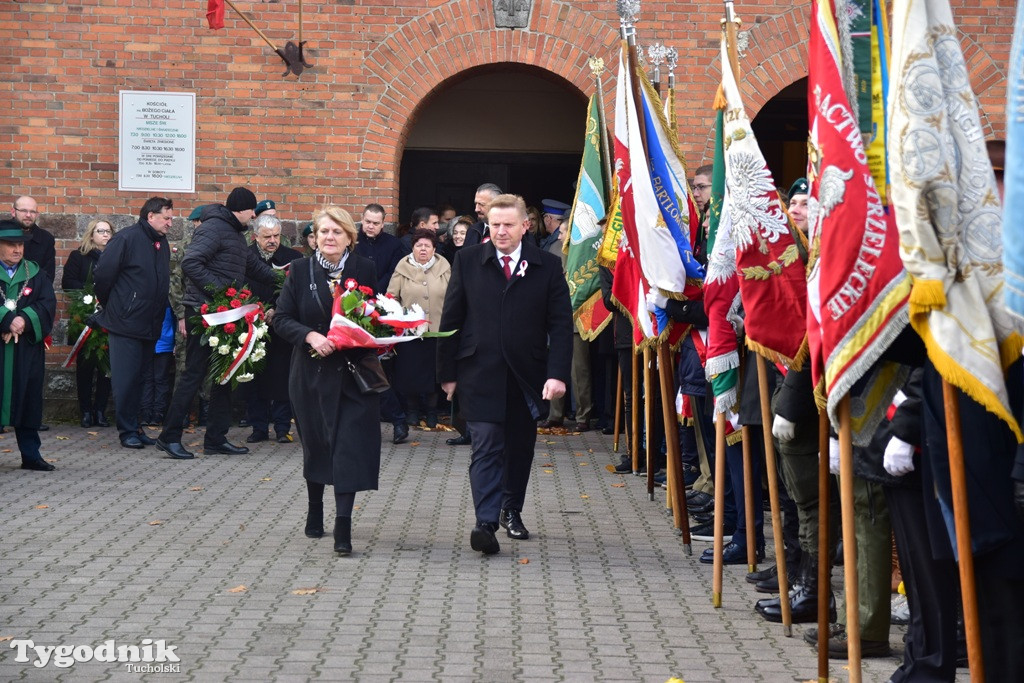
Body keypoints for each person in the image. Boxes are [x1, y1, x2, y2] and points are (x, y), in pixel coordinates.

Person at [438, 194, 573, 554]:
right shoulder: (468, 260)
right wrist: (447, 373)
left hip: (526, 375)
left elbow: (560, 325)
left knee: (518, 448)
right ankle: (485, 522)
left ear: (524, 226)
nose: (500, 231)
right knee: (485, 445)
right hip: (479, 372)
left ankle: (511, 509)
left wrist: (557, 374)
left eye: (508, 224)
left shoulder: (546, 265)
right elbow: (451, 319)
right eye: (495, 224)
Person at [273, 205, 381, 556]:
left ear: (350, 237)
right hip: (311, 373)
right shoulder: (300, 270)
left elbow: (375, 315)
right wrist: (311, 337)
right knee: (317, 444)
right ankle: (315, 508)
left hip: (352, 375)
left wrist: (368, 334)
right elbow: (282, 318)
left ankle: (343, 527)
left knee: (348, 446)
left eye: (337, 232)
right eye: (323, 232)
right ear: (314, 238)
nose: (330, 238)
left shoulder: (364, 268)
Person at [156, 187, 277, 460]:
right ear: (244, 210)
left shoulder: (234, 233)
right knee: (194, 374)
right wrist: (221, 291)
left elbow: (252, 267)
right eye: (253, 212)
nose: (254, 217)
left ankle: (216, 438)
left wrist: (282, 279)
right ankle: (169, 437)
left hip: (223, 311)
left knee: (225, 374)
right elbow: (191, 262)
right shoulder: (214, 228)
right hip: (204, 311)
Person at [93, 197, 173, 450]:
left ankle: (136, 427)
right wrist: (117, 305)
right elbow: (103, 275)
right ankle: (126, 430)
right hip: (125, 322)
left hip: (150, 323)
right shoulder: (127, 238)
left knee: (140, 380)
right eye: (167, 218)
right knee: (125, 380)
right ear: (151, 216)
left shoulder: (162, 242)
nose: (171, 223)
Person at [0, 220, 56, 471]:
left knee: (28, 399)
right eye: (10, 245)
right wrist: (7, 320)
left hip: (26, 351)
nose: (17, 250)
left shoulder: (34, 272)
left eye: (20, 245)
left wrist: (25, 319)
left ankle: (31, 455)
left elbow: (47, 304)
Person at [354, 203, 411, 443]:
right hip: (351, 308)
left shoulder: (393, 245)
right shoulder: (352, 241)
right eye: (367, 221)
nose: (370, 226)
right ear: (362, 219)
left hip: (379, 309)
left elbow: (394, 273)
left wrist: (375, 290)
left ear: (383, 223)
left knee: (374, 367)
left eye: (376, 223)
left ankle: (398, 420)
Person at [245, 213, 303, 443]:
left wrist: (278, 310)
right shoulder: (245, 257)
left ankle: (281, 427)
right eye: (267, 236)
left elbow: (296, 292)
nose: (272, 240)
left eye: (276, 236)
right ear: (255, 237)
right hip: (252, 325)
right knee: (255, 377)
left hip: (281, 326)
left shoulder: (292, 258)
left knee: (281, 377)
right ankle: (258, 427)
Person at [387, 228, 451, 428]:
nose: (423, 249)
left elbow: (453, 296)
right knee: (410, 374)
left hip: (438, 330)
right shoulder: (402, 266)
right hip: (410, 333)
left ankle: (432, 413)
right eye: (419, 245)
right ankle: (412, 412)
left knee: (433, 375)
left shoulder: (444, 266)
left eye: (427, 246)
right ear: (412, 247)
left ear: (434, 248)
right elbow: (391, 296)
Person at [62, 218, 114, 428]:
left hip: (108, 317)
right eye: (100, 231)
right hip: (84, 318)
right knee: (84, 367)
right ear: (91, 234)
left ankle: (100, 411)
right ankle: (85, 411)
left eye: (108, 231)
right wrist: (89, 292)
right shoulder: (79, 256)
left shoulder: (115, 257)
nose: (105, 235)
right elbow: (68, 283)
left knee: (106, 367)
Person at [12, 196, 55, 284]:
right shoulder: (2, 233)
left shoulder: (46, 239)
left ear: (37, 214)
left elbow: (48, 276)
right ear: (13, 212)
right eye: (24, 210)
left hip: (35, 293)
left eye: (32, 211)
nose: (28, 215)